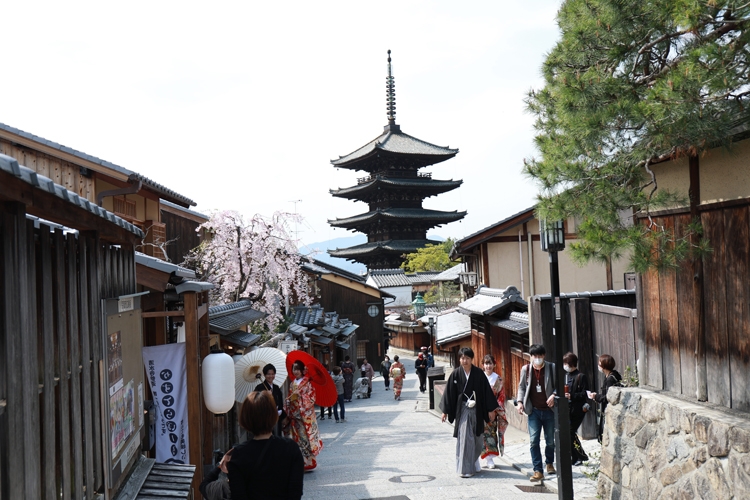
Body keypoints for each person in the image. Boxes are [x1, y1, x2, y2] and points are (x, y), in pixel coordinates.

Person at [227, 391, 303, 499]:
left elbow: (238, 495)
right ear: (273, 414)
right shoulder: (290, 448)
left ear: (246, 417)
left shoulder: (239, 454)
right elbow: (296, 492)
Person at [440, 347, 500, 478]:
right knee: (466, 437)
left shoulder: (479, 374)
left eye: (467, 358)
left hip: (477, 409)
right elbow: (449, 394)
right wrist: (445, 411)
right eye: (462, 358)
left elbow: (486, 393)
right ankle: (466, 469)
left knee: (478, 438)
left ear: (472, 359)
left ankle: (474, 460)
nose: (464, 360)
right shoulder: (456, 374)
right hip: (463, 410)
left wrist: (490, 409)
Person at [516, 344, 557, 483]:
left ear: (544, 356)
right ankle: (538, 470)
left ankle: (549, 463)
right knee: (534, 441)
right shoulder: (526, 369)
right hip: (533, 411)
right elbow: (521, 387)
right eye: (535, 356)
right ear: (531, 356)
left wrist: (554, 395)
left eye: (540, 356)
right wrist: (520, 402)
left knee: (550, 440)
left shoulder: (551, 368)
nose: (537, 359)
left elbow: (560, 386)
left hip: (549, 411)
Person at [284, 360, 323, 471]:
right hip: (294, 416)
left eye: (297, 369)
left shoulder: (307, 383)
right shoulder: (292, 383)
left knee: (305, 438)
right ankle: (300, 462)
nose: (295, 371)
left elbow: (312, 398)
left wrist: (300, 396)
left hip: (305, 417)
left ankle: (309, 462)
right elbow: (289, 398)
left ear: (302, 370)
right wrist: (288, 401)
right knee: (297, 439)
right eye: (294, 369)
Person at [480, 354, 508, 469]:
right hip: (480, 411)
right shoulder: (480, 378)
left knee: (491, 434)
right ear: (483, 365)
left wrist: (493, 410)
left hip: (493, 412)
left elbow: (501, 397)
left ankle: (490, 459)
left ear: (494, 365)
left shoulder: (498, 379)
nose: (488, 366)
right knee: (480, 435)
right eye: (486, 363)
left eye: (490, 363)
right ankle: (482, 457)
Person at [563, 352, 590, 465]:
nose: (565, 366)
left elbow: (585, 393)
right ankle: (575, 457)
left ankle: (580, 456)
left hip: (578, 409)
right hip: (568, 407)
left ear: (571, 363)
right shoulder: (566, 376)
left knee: (570, 432)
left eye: (566, 363)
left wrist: (572, 396)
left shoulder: (580, 376)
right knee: (569, 433)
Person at [588, 354, 622, 443]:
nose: (598, 365)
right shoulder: (610, 376)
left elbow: (608, 397)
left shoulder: (611, 379)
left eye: (600, 363)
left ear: (604, 366)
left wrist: (596, 396)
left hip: (609, 409)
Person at [254, 363, 287, 436]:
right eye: (268, 374)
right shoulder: (259, 388)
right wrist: (265, 395)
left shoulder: (276, 388)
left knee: (276, 437)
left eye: (273, 374)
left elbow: (280, 402)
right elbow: (256, 402)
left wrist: (281, 412)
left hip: (276, 417)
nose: (271, 376)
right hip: (265, 418)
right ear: (265, 375)